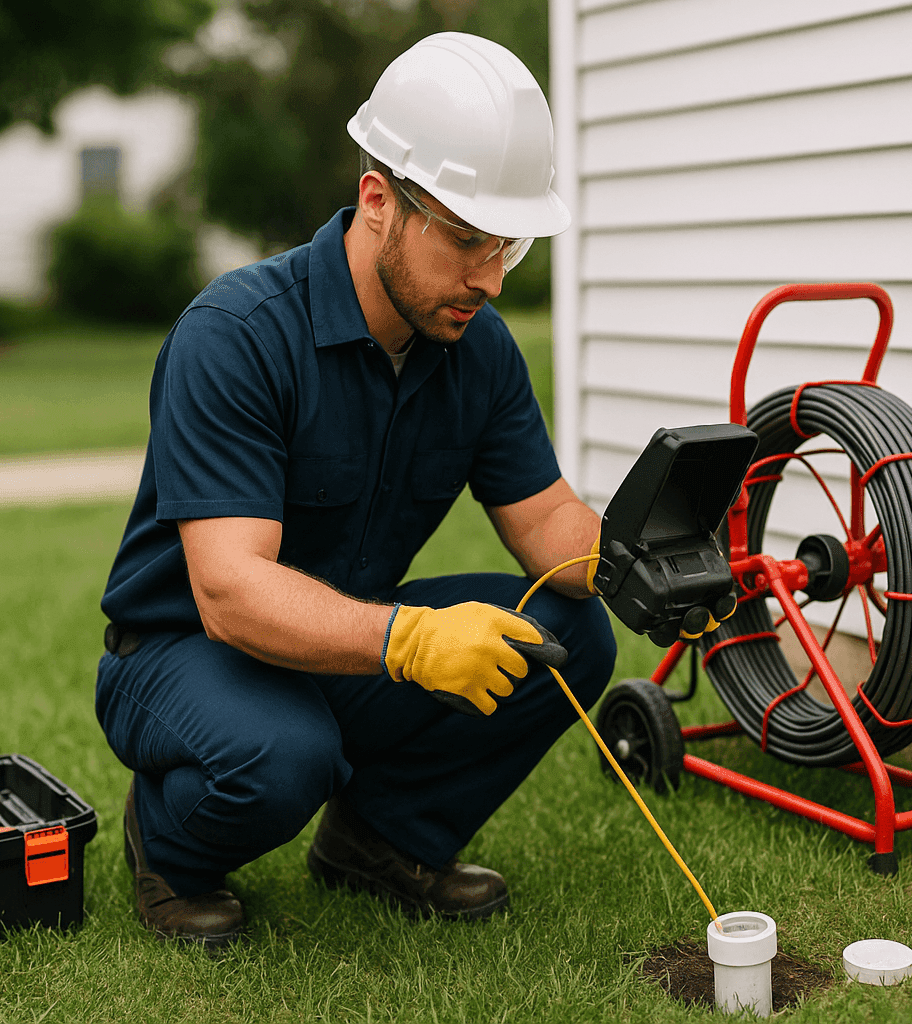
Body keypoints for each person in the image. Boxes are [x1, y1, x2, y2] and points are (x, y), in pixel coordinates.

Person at [94, 32, 614, 948]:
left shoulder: (476, 348)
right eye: (466, 240)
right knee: (283, 756)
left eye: (511, 245)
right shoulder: (237, 336)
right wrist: (410, 639)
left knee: (568, 635)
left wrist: (644, 559)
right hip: (183, 652)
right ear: (379, 200)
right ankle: (169, 847)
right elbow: (229, 591)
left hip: (344, 640)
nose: (490, 279)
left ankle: (380, 843)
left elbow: (544, 522)